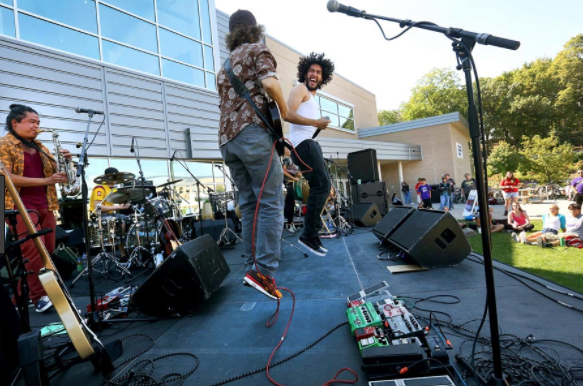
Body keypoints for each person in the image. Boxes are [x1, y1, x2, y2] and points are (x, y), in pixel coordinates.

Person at [217, 10, 289, 300]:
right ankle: (265, 273)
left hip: (228, 140)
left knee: (249, 206)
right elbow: (270, 85)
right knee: (270, 201)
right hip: (253, 135)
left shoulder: (224, 65)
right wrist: (285, 111)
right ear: (255, 29)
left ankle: (252, 268)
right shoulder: (259, 49)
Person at [1, 104, 73, 313]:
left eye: (38, 122)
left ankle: (18, 299)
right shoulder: (4, 144)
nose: (36, 126)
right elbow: (6, 178)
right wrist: (46, 180)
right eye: (31, 122)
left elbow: (56, 174)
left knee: (47, 252)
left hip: (46, 205)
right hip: (18, 207)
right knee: (35, 251)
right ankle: (39, 297)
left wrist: (65, 163)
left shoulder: (42, 147)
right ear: (15, 123)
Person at [287, 52, 334, 256]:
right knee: (321, 186)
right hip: (303, 145)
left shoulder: (313, 98)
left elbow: (303, 124)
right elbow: (287, 114)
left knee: (323, 186)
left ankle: (312, 235)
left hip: (308, 142)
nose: (314, 74)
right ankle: (308, 235)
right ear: (305, 73)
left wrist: (316, 126)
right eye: (312, 71)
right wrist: (316, 122)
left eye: (319, 72)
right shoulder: (300, 88)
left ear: (323, 78)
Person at [89, 167, 131, 257]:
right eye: (114, 177)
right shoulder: (100, 188)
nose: (116, 180)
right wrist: (120, 206)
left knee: (130, 219)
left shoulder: (114, 190)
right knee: (121, 221)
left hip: (111, 214)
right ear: (107, 177)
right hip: (99, 216)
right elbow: (98, 208)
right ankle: (123, 253)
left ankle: (127, 250)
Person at [282, 149, 300, 234]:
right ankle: (289, 224)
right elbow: (283, 171)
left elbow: (299, 174)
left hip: (292, 183)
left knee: (291, 204)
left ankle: (290, 223)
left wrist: (297, 174)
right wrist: (293, 177)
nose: (289, 150)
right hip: (287, 183)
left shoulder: (293, 160)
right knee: (289, 204)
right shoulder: (286, 159)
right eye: (287, 149)